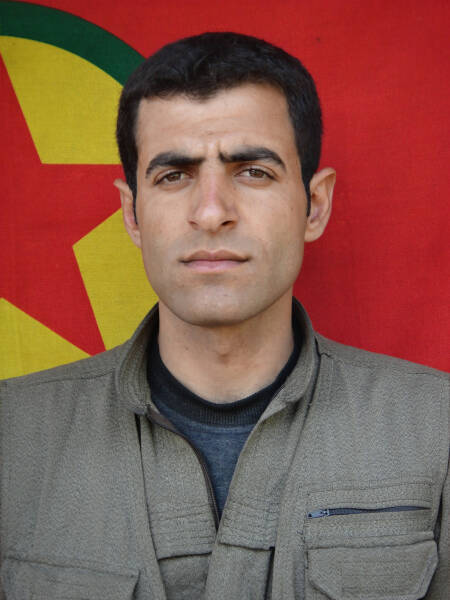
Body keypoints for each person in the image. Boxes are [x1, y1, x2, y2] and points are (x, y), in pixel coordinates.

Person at [0, 32, 448, 600]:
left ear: (315, 205)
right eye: (174, 175)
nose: (211, 212)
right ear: (132, 214)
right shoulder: (12, 438)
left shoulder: (437, 430)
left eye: (253, 171)